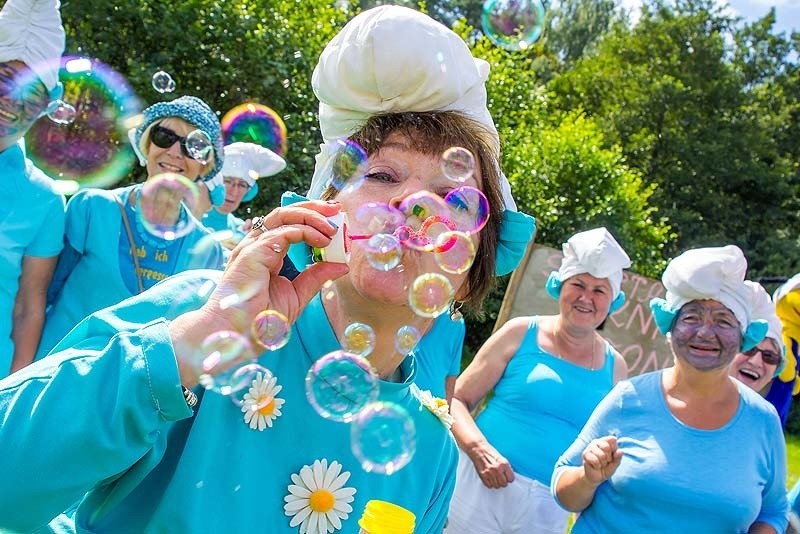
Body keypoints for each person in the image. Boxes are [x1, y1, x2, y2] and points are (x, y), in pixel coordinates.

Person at [0, 6, 535, 533]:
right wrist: (197, 341)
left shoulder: (432, 450)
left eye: (453, 198)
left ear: (469, 270)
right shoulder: (205, 311)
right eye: (383, 174)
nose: (414, 204)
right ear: (322, 213)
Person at [552, 245, 788, 533]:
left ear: (743, 338)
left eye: (723, 321)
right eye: (691, 318)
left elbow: (774, 509)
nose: (704, 332)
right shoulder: (629, 398)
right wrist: (587, 477)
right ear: (671, 328)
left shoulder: (761, 420)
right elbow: (563, 488)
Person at [446, 227, 630, 534]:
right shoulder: (520, 333)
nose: (586, 297)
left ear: (613, 301)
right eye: (578, 284)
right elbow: (456, 399)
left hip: (549, 507)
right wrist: (480, 451)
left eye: (599, 290)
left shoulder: (616, 367)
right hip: (479, 485)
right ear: (559, 285)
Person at [36, 95, 225, 359]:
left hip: (131, 394)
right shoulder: (92, 209)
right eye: (163, 137)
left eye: (192, 147)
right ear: (147, 144)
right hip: (57, 379)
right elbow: (38, 296)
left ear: (206, 165)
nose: (174, 152)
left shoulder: (208, 251)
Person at [0, 0, 67, 377]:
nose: (12, 102)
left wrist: (12, 392)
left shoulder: (43, 197)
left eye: (31, 92)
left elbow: (29, 303)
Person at [202, 141, 287, 248]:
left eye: (242, 185)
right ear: (215, 181)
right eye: (227, 181)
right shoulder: (190, 217)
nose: (234, 191)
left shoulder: (241, 230)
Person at [729, 281, 785, 394]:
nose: (756, 362)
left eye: (769, 356)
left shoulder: (767, 412)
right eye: (749, 349)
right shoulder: (686, 404)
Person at [765, 272, 800, 426]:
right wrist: (789, 374)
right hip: (775, 384)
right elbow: (785, 366)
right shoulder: (781, 329)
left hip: (785, 387)